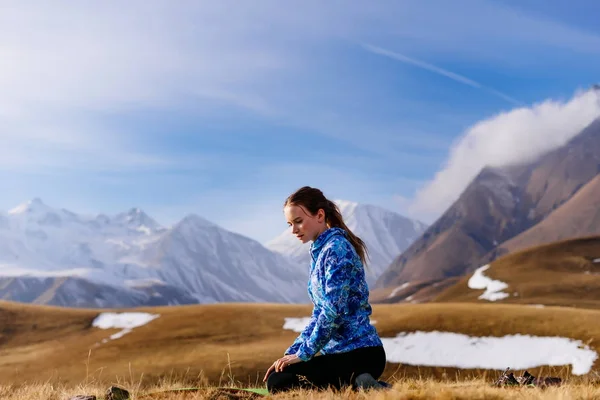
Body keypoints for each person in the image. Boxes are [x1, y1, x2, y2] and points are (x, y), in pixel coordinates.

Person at [263, 186, 388, 393]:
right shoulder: (321, 252)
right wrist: (290, 354)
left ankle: (370, 386)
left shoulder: (337, 249)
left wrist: (303, 354)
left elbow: (332, 312)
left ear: (319, 215)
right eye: (289, 224)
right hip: (340, 355)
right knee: (279, 375)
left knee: (279, 383)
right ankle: (358, 384)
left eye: (298, 221)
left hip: (362, 354)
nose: (293, 230)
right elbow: (319, 313)